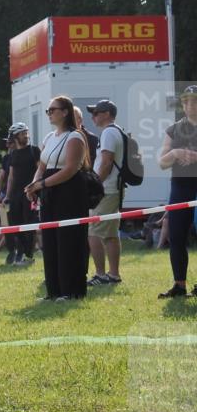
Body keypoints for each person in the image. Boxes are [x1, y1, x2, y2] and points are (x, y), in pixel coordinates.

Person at [25, 95, 90, 301]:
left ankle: (71, 290)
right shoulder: (49, 138)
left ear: (65, 112)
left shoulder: (75, 137)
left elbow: (71, 169)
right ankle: (53, 290)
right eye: (48, 110)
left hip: (69, 192)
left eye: (53, 109)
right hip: (50, 192)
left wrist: (41, 184)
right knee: (51, 241)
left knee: (68, 240)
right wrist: (34, 185)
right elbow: (42, 166)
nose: (49, 113)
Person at [157, 84, 197, 298]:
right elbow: (161, 163)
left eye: (195, 100)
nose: (191, 104)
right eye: (187, 101)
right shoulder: (174, 129)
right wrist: (175, 153)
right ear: (182, 104)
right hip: (180, 187)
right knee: (176, 235)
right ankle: (179, 285)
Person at [85, 100, 125, 287]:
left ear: (107, 114)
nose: (93, 117)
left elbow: (106, 162)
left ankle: (101, 274)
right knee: (110, 234)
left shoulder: (109, 132)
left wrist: (95, 185)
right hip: (114, 189)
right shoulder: (117, 130)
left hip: (106, 190)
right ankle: (114, 274)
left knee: (93, 232)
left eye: (96, 113)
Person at [3, 122, 40, 267]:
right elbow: (11, 176)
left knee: (29, 223)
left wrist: (35, 188)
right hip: (16, 195)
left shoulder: (34, 150)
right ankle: (21, 252)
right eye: (22, 133)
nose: (26, 135)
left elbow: (40, 170)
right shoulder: (13, 154)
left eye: (26, 132)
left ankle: (29, 256)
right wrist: (7, 195)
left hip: (31, 194)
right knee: (14, 224)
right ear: (15, 136)